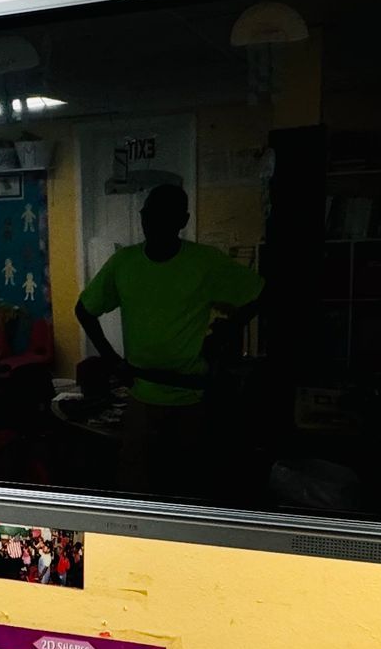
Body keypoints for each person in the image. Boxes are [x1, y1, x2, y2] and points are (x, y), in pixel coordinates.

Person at [74, 183, 263, 492]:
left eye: (165, 216)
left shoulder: (205, 262)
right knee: (136, 487)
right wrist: (111, 359)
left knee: (187, 487)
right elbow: (84, 310)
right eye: (149, 215)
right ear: (142, 217)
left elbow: (260, 294)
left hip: (192, 398)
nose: (154, 223)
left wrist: (231, 328)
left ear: (182, 221)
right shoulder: (124, 263)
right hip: (142, 395)